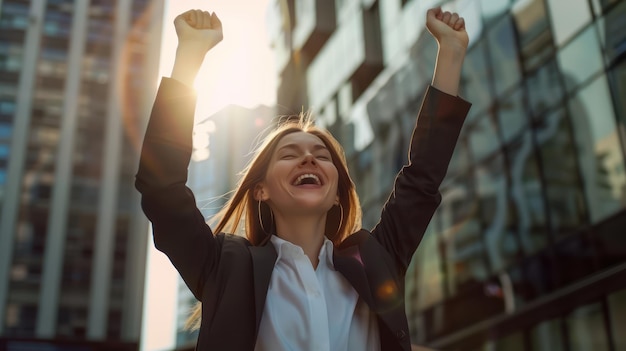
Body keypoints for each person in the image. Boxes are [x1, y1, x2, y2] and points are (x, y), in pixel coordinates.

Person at [135, 6, 471, 351]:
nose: (309, 157)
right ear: (261, 190)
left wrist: (451, 52)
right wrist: (189, 56)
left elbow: (422, 177)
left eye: (322, 156)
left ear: (338, 194)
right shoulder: (226, 267)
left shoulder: (374, 261)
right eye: (289, 154)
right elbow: (162, 189)